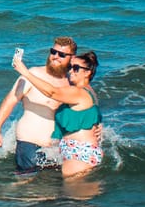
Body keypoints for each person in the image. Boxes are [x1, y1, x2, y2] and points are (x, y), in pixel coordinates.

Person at [10, 47, 103, 176]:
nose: (71, 71)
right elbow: (94, 112)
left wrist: (25, 72)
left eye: (76, 68)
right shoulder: (89, 91)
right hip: (80, 150)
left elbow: (52, 92)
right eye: (70, 67)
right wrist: (99, 125)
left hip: (79, 153)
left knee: (73, 193)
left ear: (88, 73)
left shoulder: (78, 92)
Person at [0, 37, 76, 172]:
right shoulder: (34, 74)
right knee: (28, 188)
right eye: (53, 52)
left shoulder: (71, 82)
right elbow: (11, 100)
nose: (55, 57)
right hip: (29, 142)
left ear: (72, 58)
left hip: (56, 149)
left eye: (62, 54)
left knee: (55, 190)